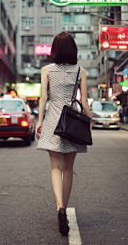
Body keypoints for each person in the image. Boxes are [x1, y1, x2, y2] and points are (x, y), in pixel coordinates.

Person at [36, 32, 91, 236]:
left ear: (54, 50)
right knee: (68, 168)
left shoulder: (46, 70)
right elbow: (84, 101)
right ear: (73, 50)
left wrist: (40, 121)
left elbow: (43, 98)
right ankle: (64, 210)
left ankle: (59, 207)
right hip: (72, 120)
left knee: (55, 167)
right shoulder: (80, 71)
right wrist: (88, 121)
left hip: (53, 119)